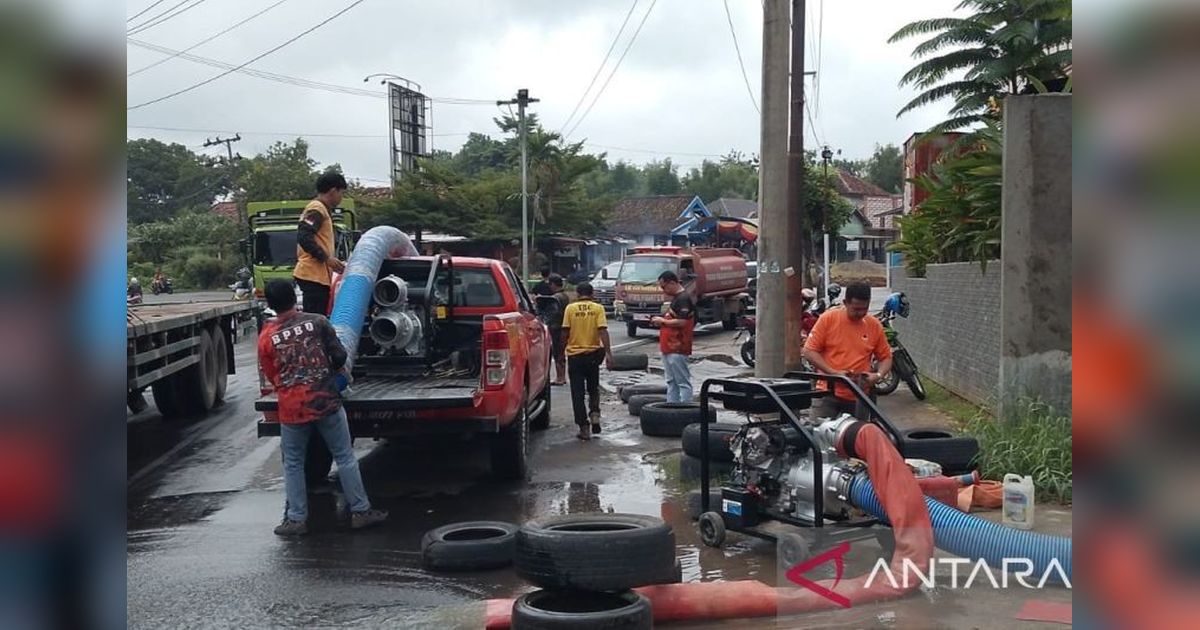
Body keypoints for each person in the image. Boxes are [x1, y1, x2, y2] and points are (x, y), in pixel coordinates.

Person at [257, 279, 387, 536]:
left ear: (270, 305)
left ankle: (296, 520)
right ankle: (360, 512)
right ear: (294, 299)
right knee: (345, 457)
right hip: (325, 400)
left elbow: (272, 375)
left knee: (293, 463)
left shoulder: (266, 337)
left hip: (292, 407)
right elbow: (339, 356)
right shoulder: (317, 322)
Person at [802, 282, 893, 421]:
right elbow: (809, 351)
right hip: (828, 391)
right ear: (845, 302)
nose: (861, 313)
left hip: (859, 394)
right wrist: (833, 372)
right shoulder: (828, 319)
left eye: (865, 308)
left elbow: (886, 357)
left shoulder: (874, 325)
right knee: (818, 434)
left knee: (858, 437)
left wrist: (878, 375)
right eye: (856, 309)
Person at [561, 282, 614, 440]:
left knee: (577, 393)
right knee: (593, 388)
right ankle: (595, 414)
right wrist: (609, 354)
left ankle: (584, 427)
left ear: (577, 293)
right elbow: (603, 331)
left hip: (575, 356)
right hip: (592, 355)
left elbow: (565, 332)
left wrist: (559, 353)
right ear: (592, 294)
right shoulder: (598, 309)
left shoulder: (570, 309)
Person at [293, 171, 349, 316]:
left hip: (317, 276)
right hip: (312, 275)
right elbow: (304, 237)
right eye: (341, 193)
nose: (341, 197)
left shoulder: (321, 209)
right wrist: (327, 259)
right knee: (315, 320)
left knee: (317, 319)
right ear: (333, 191)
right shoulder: (316, 209)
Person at [651, 271, 696, 403]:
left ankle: (685, 409)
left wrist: (663, 321)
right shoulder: (677, 298)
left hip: (678, 346)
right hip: (669, 347)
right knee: (671, 381)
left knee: (682, 381)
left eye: (664, 287)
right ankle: (671, 407)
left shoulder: (683, 299)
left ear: (672, 282)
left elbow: (682, 322)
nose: (663, 290)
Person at [546, 275, 570, 386]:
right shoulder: (565, 296)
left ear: (553, 284)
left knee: (557, 352)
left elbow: (553, 313)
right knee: (561, 352)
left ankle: (560, 377)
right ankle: (562, 376)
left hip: (556, 327)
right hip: (564, 326)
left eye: (550, 284)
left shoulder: (555, 298)